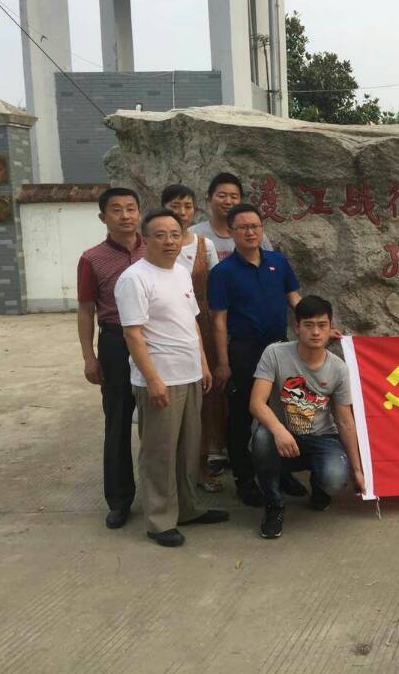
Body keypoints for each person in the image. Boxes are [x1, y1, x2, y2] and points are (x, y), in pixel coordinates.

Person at [115, 209, 228, 547]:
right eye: (160, 235)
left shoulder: (179, 272)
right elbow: (133, 334)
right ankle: (159, 520)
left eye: (175, 234)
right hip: (160, 378)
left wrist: (203, 363)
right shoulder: (135, 278)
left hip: (190, 374)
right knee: (159, 452)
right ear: (145, 239)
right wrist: (152, 379)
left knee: (188, 450)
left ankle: (189, 508)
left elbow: (191, 322)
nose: (169, 241)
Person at [207, 203, 303, 507]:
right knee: (241, 415)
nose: (251, 232)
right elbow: (218, 321)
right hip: (244, 351)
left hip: (280, 348)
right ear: (231, 232)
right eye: (243, 227)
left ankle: (284, 472)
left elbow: (294, 299)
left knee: (285, 410)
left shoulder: (278, 262)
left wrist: (318, 324)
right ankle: (245, 480)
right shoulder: (222, 273)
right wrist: (223, 362)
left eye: (255, 226)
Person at [250, 295, 366, 538]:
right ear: (297, 327)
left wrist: (357, 469)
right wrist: (279, 430)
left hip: (322, 437)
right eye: (309, 325)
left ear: (330, 328)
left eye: (322, 325)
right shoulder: (274, 353)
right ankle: (274, 505)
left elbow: (345, 421)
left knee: (334, 479)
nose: (315, 332)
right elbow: (257, 403)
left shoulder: (338, 368)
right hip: (283, 437)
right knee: (261, 437)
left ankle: (320, 485)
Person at [77, 187, 145, 529]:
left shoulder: (156, 249)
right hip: (116, 342)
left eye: (131, 208)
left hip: (155, 341)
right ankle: (119, 500)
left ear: (139, 213)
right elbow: (86, 309)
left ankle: (164, 494)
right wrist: (89, 357)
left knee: (159, 421)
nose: (125, 215)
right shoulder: (92, 258)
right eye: (116, 209)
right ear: (103, 217)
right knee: (118, 420)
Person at [161, 184, 224, 492]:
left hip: (202, 325)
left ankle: (201, 467)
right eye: (175, 206)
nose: (182, 212)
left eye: (187, 206)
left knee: (204, 399)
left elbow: (216, 285)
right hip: (165, 328)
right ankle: (171, 474)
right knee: (170, 400)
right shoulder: (154, 246)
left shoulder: (203, 245)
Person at [190, 172, 272, 260]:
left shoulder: (255, 236)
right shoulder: (193, 235)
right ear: (209, 199)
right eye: (222, 196)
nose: (228, 202)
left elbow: (271, 263)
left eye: (234, 197)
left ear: (240, 201)